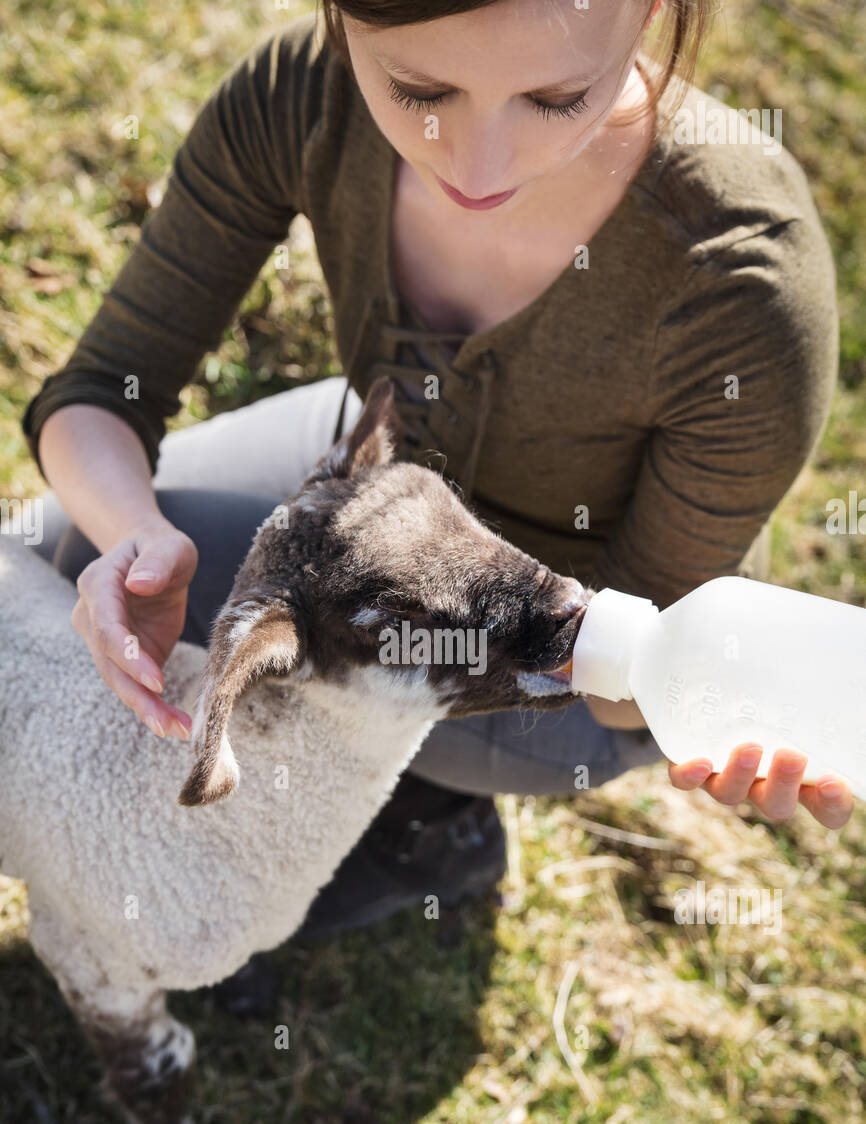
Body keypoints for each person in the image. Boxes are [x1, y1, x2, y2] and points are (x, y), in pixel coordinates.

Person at [20, 0, 851, 940]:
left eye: (556, 97)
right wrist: (137, 538)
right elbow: (99, 392)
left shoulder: (744, 287)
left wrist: (700, 709)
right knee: (65, 551)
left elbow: (627, 685)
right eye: (419, 90)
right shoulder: (304, 93)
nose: (477, 167)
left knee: (209, 639)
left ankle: (430, 827)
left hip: (560, 642)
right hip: (375, 490)